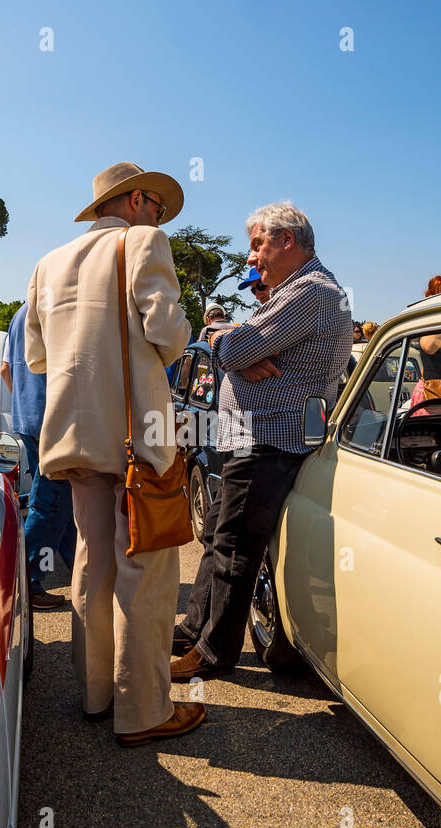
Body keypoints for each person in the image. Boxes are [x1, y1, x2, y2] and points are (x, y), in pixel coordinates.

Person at [24, 161, 204, 746]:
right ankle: (144, 711)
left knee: (91, 561)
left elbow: (36, 360)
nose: (159, 214)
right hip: (137, 436)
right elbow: (170, 335)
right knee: (146, 574)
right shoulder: (144, 243)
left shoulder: (48, 263)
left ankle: (97, 695)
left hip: (73, 438)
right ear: (132, 202)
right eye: (156, 203)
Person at [171, 201, 352, 682]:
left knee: (236, 549)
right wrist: (233, 346)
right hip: (254, 437)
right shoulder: (299, 290)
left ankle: (214, 654)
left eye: (258, 245)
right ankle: (196, 628)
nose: (251, 257)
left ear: (286, 241)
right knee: (219, 536)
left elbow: (231, 347)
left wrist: (233, 347)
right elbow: (232, 346)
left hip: (267, 439)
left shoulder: (309, 293)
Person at [0, 303, 76, 610]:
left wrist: (24, 402)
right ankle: (26, 581)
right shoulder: (57, 310)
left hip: (29, 419)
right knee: (51, 502)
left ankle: (83, 569)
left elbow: (5, 369)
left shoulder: (20, 314)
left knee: (57, 501)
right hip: (53, 420)